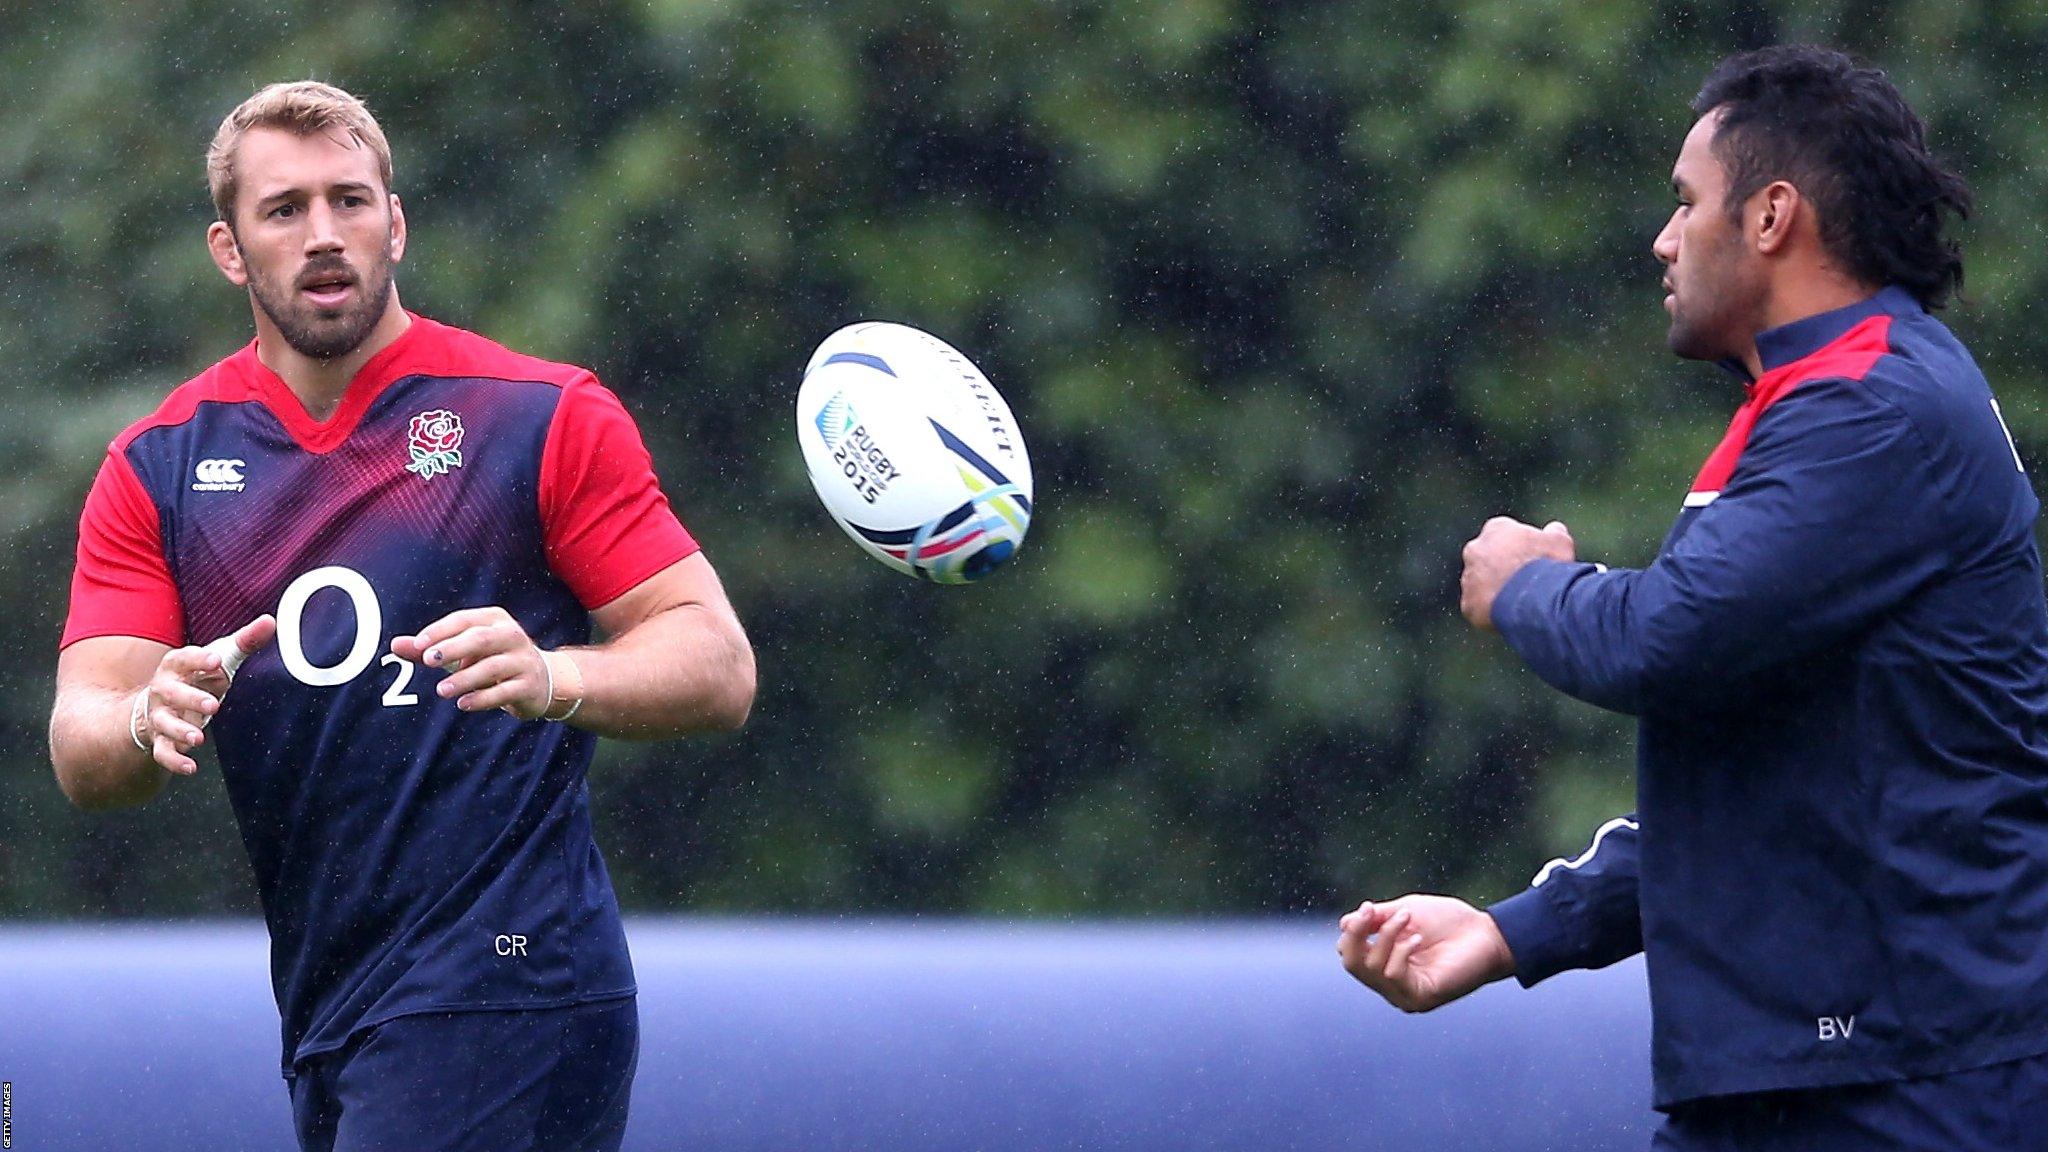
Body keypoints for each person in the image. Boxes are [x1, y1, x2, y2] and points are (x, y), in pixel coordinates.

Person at [1338, 45, 2048, 1150]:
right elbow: (1753, 768)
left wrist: (1527, 588)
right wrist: (1514, 931)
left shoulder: (1870, 407)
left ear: (1770, 217)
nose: (1662, 240)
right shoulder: (1820, 400)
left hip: (1903, 1081)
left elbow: (1663, 640)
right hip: (1813, 1075)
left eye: (1683, 203)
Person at [47, 81, 756, 1151]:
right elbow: (83, 741)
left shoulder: (539, 415)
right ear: (230, 250)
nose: (325, 235)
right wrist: (147, 715)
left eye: (351, 201)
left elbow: (714, 661)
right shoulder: (160, 464)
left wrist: (559, 678)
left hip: (512, 973)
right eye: (285, 210)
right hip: (333, 996)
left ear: (396, 222)